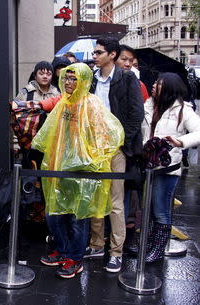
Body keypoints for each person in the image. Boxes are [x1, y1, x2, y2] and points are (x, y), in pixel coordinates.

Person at [33, 63, 124, 279]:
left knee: (78, 217)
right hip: (59, 166)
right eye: (66, 78)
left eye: (74, 79)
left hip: (82, 169)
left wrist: (90, 159)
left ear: (83, 81)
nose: (69, 83)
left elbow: (108, 134)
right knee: (55, 214)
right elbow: (50, 132)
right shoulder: (64, 103)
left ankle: (75, 258)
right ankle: (63, 252)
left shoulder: (91, 103)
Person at [84, 37, 144, 273]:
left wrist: (120, 143)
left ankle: (116, 252)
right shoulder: (90, 79)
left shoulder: (126, 78)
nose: (94, 56)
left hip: (116, 147)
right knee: (95, 198)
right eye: (94, 52)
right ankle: (97, 244)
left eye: (99, 52)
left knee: (116, 202)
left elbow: (136, 114)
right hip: (94, 147)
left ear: (112, 55)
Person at [141, 73, 200, 262]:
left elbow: (198, 132)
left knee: (160, 208)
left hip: (168, 168)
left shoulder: (183, 109)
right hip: (148, 165)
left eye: (159, 84)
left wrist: (180, 142)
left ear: (169, 88)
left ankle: (158, 248)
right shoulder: (149, 105)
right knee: (148, 206)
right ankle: (149, 243)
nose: (154, 86)